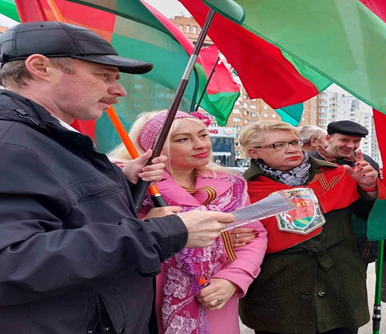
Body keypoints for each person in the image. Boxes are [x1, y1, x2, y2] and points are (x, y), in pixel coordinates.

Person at [0, 22, 233, 333]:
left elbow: (64, 209)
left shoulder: (49, 137)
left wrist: (127, 182)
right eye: (104, 76)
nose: (119, 90)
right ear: (41, 67)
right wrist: (165, 232)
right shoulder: (10, 142)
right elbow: (14, 263)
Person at [109, 110, 268, 334]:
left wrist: (231, 280)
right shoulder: (127, 183)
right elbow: (104, 237)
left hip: (213, 300)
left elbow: (253, 237)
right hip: (146, 300)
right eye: (183, 139)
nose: (200, 145)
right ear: (154, 149)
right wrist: (147, 223)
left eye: (203, 135)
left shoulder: (231, 185)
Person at [238, 120, 381, 334]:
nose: (292, 149)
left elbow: (375, 219)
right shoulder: (242, 190)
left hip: (339, 286)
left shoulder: (338, 174)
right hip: (277, 294)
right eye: (278, 145)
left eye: (294, 142)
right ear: (254, 152)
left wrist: (369, 188)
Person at [310, 120, 380, 263]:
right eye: (344, 140)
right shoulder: (309, 161)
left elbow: (376, 207)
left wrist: (370, 187)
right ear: (328, 138)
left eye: (356, 141)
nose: (350, 146)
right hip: (319, 239)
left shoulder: (367, 163)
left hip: (356, 239)